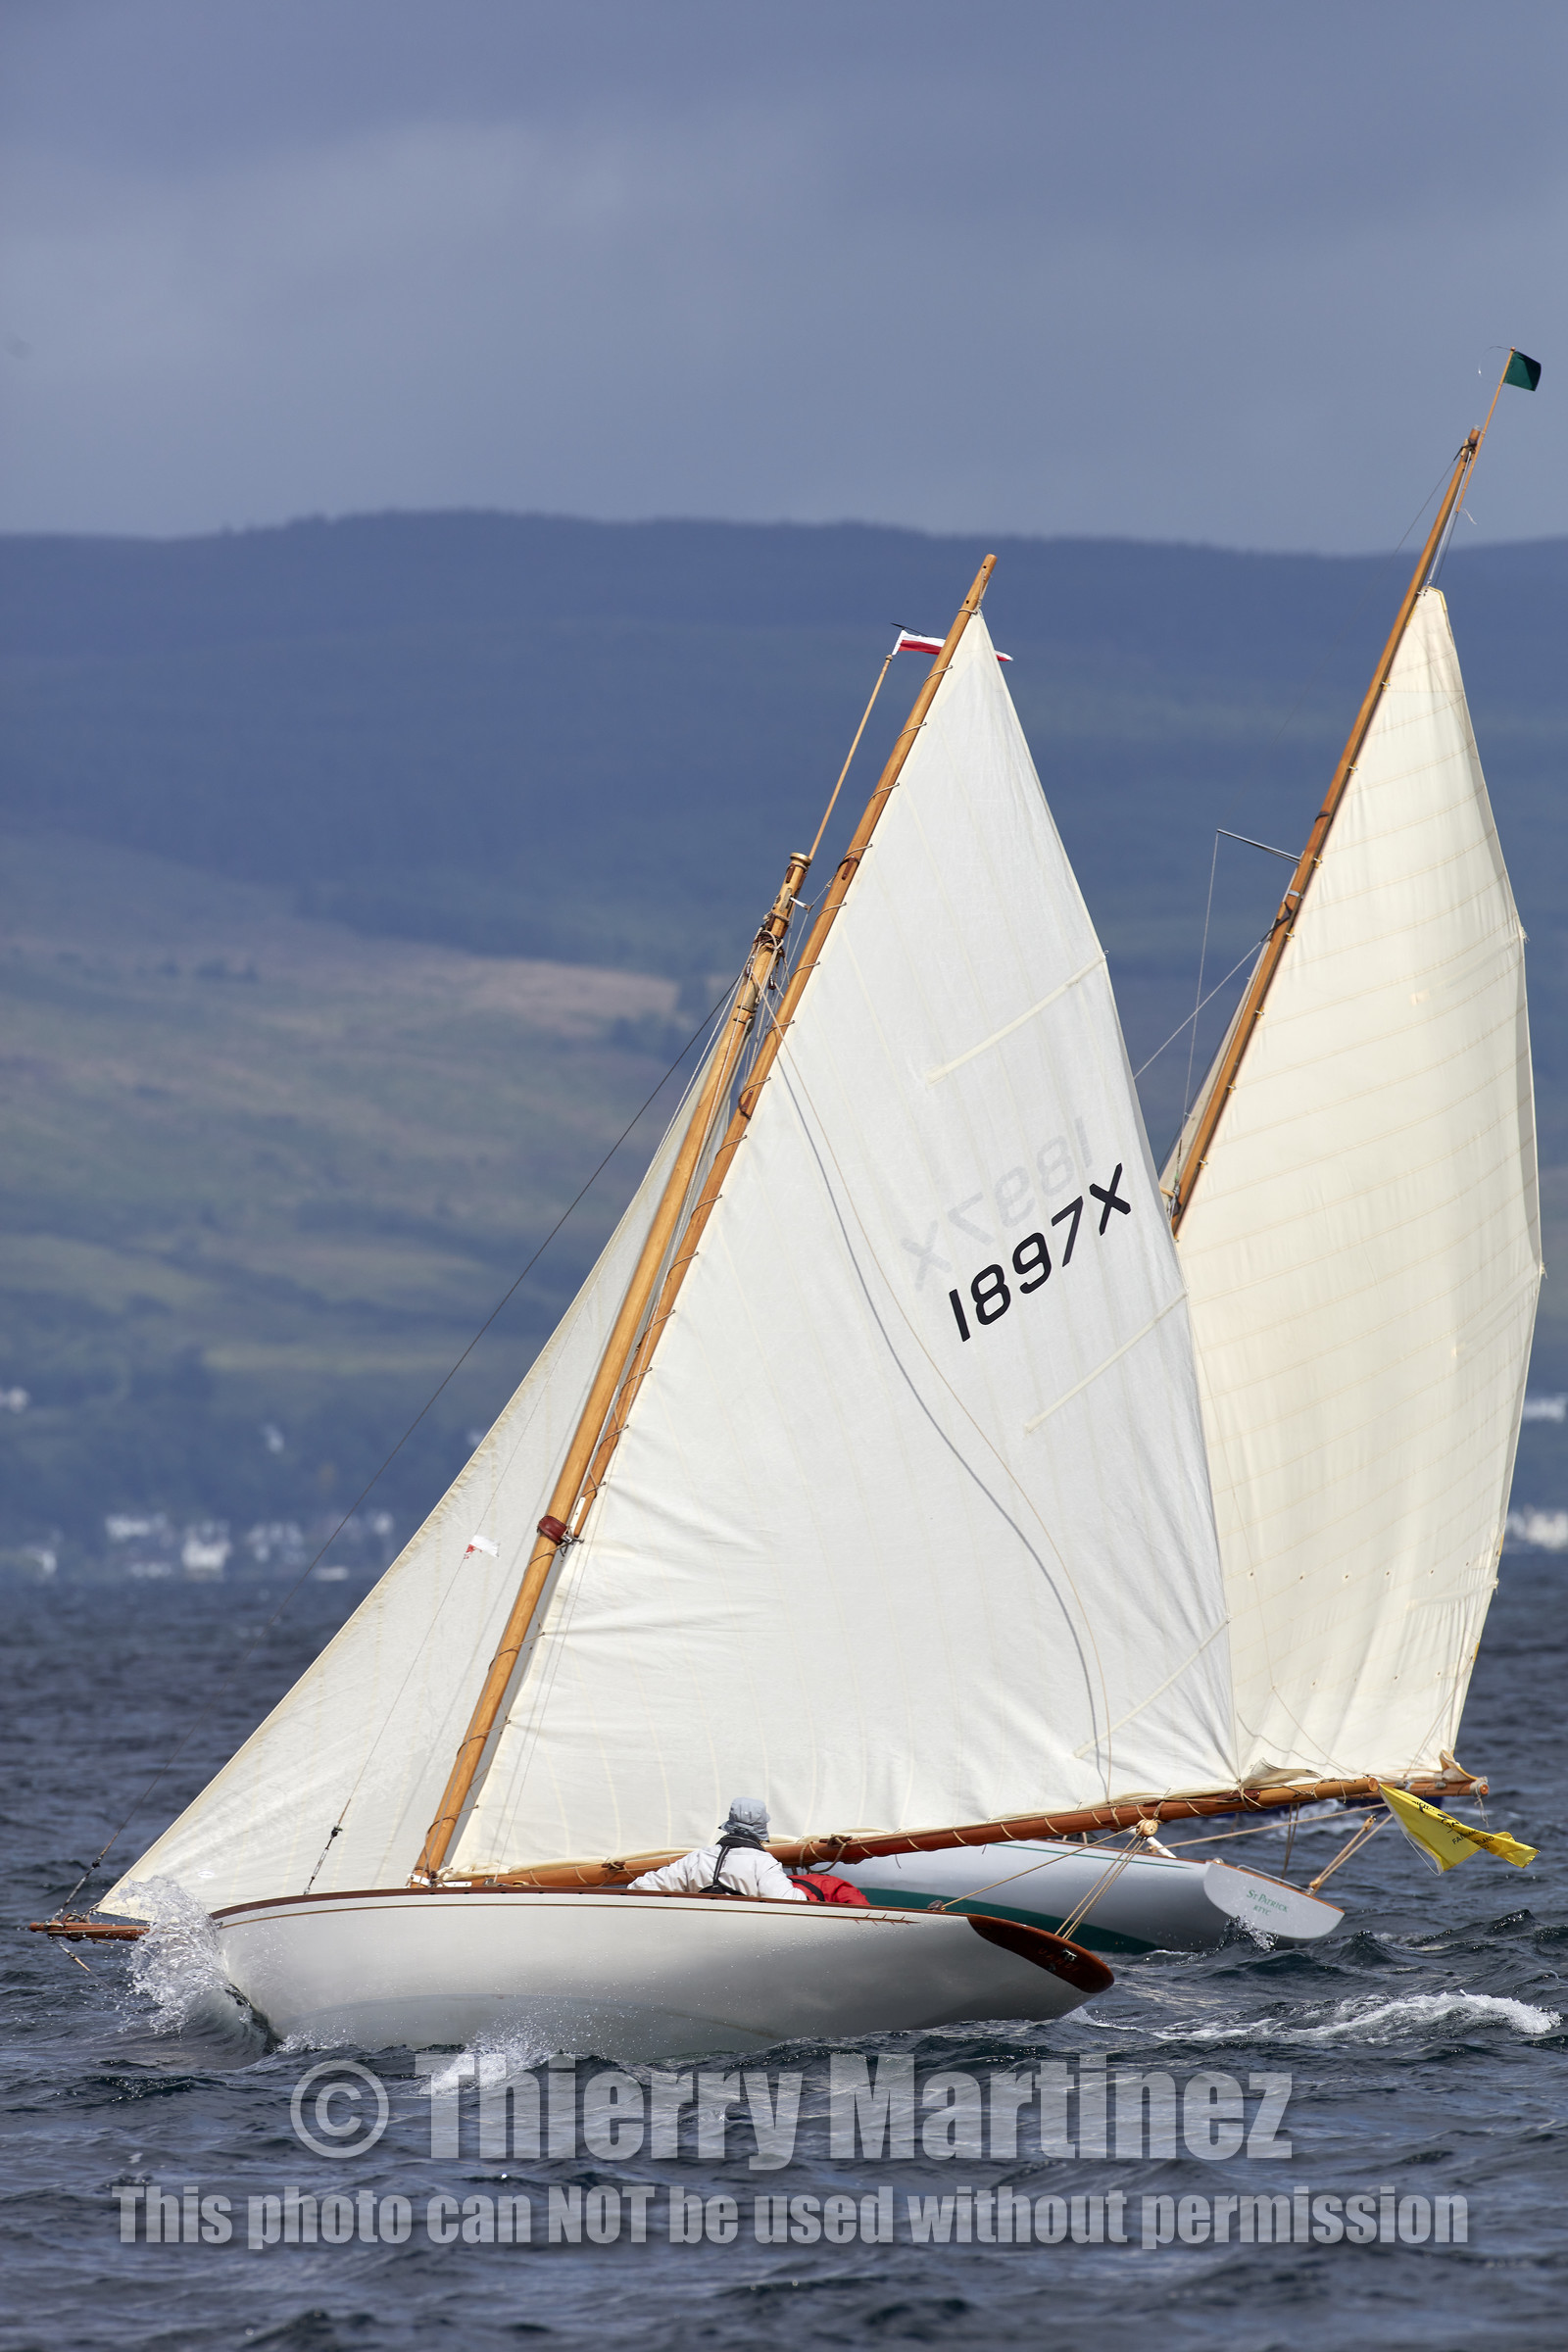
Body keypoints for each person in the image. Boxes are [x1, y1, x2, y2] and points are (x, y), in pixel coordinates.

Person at [626, 1798, 806, 1901]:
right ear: (762, 1827)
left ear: (729, 1823)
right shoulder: (764, 1863)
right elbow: (787, 1901)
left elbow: (640, 1886)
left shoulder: (698, 1858)